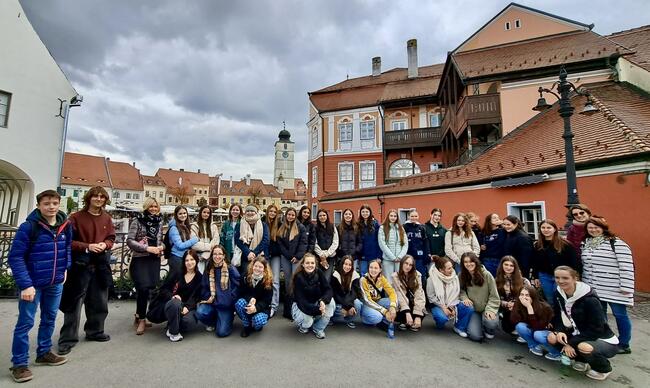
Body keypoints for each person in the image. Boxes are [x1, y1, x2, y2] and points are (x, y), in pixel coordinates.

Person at [8, 190, 72, 383]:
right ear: (39, 206)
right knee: (25, 323)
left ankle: (44, 352)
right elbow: (16, 257)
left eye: (54, 203)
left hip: (55, 282)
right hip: (33, 284)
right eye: (46, 203)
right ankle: (19, 363)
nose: (51, 207)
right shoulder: (28, 227)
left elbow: (67, 248)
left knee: (50, 318)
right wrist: (26, 285)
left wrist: (65, 269)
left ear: (59, 204)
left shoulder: (65, 226)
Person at [58, 186, 116, 355]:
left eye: (102, 197)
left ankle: (95, 331)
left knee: (99, 301)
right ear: (89, 198)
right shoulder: (75, 218)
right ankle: (67, 339)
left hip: (100, 265)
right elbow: (67, 241)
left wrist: (105, 245)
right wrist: (87, 247)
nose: (99, 199)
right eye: (95, 196)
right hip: (80, 266)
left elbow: (111, 238)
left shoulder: (107, 218)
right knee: (74, 304)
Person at [548, 266, 619, 381]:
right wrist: (560, 331)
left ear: (575, 278)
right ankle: (582, 360)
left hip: (600, 338)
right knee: (552, 337)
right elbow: (558, 316)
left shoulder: (590, 300)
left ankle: (604, 368)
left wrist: (570, 343)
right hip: (577, 333)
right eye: (557, 278)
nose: (560, 281)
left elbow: (596, 330)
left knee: (584, 347)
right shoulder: (558, 293)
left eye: (565, 278)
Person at [581, 216, 635, 354]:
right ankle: (606, 338)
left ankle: (624, 343)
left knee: (620, 315)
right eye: (590, 227)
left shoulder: (616, 243)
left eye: (596, 227)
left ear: (603, 228)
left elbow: (627, 266)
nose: (593, 230)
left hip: (614, 287)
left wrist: (626, 287)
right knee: (599, 314)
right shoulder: (586, 243)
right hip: (594, 287)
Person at [126, 197, 165, 335]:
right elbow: (129, 241)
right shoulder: (138, 220)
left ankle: (138, 315)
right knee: (142, 288)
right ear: (146, 207)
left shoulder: (159, 222)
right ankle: (142, 319)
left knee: (149, 288)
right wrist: (146, 248)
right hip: (140, 259)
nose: (154, 209)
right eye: (151, 207)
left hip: (154, 259)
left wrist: (161, 247)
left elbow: (161, 239)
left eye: (156, 206)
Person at [146, 251, 202, 342]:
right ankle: (174, 333)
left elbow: (196, 296)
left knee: (188, 322)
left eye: (192, 259)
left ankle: (172, 323)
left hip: (186, 306)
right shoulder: (177, 273)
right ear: (183, 262)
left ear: (196, 260)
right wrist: (173, 296)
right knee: (175, 303)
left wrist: (187, 307)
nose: (189, 262)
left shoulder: (199, 277)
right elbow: (164, 289)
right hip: (170, 303)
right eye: (186, 260)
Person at [195, 245, 241, 337]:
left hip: (225, 305)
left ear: (224, 255)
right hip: (212, 302)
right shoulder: (208, 269)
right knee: (200, 313)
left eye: (220, 254)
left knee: (222, 333)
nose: (217, 256)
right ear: (212, 255)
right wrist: (210, 298)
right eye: (215, 254)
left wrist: (230, 299)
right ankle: (213, 322)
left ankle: (227, 319)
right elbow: (204, 287)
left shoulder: (230, 269)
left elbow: (238, 285)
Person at [531, 219, 578, 307]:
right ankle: (554, 318)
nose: (546, 230)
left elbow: (574, 262)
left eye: (549, 227)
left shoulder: (565, 244)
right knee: (550, 300)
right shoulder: (538, 245)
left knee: (560, 299)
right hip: (545, 276)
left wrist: (575, 276)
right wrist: (535, 276)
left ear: (554, 229)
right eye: (543, 227)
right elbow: (535, 262)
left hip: (562, 276)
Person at [290, 253, 336, 339]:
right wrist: (319, 310)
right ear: (303, 264)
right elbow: (301, 302)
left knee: (331, 303)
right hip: (301, 307)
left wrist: (323, 301)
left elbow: (328, 289)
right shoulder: (298, 277)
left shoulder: (319, 272)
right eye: (307, 263)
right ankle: (303, 326)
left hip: (316, 303)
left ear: (315, 264)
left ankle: (318, 328)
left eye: (312, 263)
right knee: (308, 322)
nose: (310, 265)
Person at [426, 256, 473, 338]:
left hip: (453, 303)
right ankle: (440, 323)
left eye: (452, 267)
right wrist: (443, 307)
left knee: (468, 307)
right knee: (442, 318)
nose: (452, 270)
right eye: (449, 268)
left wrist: (453, 307)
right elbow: (431, 297)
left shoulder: (455, 277)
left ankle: (459, 327)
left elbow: (457, 293)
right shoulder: (431, 279)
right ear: (441, 270)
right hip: (438, 304)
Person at [511, 285, 560, 360]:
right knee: (520, 326)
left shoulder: (545, 307)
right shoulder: (519, 303)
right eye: (522, 294)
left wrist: (529, 308)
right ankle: (535, 346)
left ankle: (556, 353)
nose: (524, 297)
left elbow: (538, 328)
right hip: (533, 328)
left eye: (527, 295)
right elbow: (514, 320)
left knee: (538, 334)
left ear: (533, 296)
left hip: (547, 331)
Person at [459, 252, 500, 342]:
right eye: (465, 262)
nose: (468, 264)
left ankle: (488, 329)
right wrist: (465, 298)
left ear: (476, 261)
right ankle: (478, 324)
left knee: (491, 323)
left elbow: (494, 296)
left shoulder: (487, 275)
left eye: (471, 261)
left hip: (487, 308)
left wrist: (490, 309)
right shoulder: (462, 275)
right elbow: (461, 291)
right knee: (475, 336)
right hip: (474, 309)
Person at [277, 207, 308, 319]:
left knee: (296, 281)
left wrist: (297, 256)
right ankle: (287, 309)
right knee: (288, 282)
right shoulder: (282, 227)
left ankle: (297, 307)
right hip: (286, 258)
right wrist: (289, 256)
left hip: (297, 258)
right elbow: (280, 244)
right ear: (286, 216)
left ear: (295, 216)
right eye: (289, 214)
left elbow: (303, 243)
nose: (290, 216)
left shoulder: (300, 227)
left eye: (292, 215)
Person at [235, 256, 273, 337]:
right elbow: (241, 292)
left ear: (264, 269)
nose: (257, 269)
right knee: (239, 303)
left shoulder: (268, 280)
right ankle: (247, 326)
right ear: (252, 266)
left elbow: (267, 301)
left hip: (261, 308)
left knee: (258, 322)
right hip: (248, 304)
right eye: (256, 266)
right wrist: (251, 299)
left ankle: (255, 323)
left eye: (260, 267)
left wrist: (256, 308)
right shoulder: (245, 276)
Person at [359, 259, 398, 338]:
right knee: (377, 317)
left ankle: (384, 320)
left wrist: (393, 307)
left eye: (376, 268)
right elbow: (367, 300)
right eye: (371, 267)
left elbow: (392, 292)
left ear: (380, 269)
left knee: (393, 302)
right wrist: (384, 311)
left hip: (377, 302)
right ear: (368, 268)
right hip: (367, 305)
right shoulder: (363, 280)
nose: (373, 270)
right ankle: (367, 320)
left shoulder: (382, 278)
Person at [495, 256, 529, 338]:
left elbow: (531, 298)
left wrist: (516, 304)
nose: (508, 267)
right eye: (506, 264)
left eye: (511, 265)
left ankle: (526, 332)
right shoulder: (496, 280)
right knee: (506, 327)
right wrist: (506, 304)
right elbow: (494, 298)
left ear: (515, 267)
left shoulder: (524, 281)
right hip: (506, 309)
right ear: (501, 265)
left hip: (522, 308)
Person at [390, 255, 426, 331]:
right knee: (397, 303)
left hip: (414, 304)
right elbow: (399, 295)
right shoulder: (395, 276)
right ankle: (404, 320)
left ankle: (415, 319)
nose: (408, 266)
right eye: (406, 263)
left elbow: (419, 294)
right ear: (402, 263)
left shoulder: (417, 275)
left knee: (420, 307)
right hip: (402, 305)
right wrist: (407, 312)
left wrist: (418, 315)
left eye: (410, 265)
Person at [235, 205, 270, 276]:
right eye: (247, 211)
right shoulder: (239, 224)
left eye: (252, 211)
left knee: (261, 277)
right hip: (246, 256)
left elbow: (266, 240)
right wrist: (248, 253)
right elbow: (238, 240)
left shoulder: (263, 225)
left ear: (256, 212)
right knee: (246, 276)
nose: (249, 212)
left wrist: (254, 253)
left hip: (260, 256)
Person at [167, 206, 199, 281]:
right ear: (176, 215)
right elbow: (180, 245)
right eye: (180, 214)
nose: (183, 215)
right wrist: (195, 239)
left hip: (183, 257)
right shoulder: (174, 228)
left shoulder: (185, 226)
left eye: (184, 213)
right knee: (174, 281)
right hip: (176, 257)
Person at [330, 255, 362, 328]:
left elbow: (355, 293)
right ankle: (332, 319)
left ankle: (349, 319)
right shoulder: (335, 275)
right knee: (334, 308)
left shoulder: (355, 275)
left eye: (350, 265)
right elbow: (335, 294)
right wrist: (346, 306)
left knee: (358, 304)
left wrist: (349, 306)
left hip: (349, 300)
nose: (347, 267)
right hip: (338, 300)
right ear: (342, 264)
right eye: (345, 264)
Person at [264, 204, 282, 317]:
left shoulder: (279, 224)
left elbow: (280, 242)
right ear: (267, 212)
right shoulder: (262, 222)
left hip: (275, 256)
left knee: (275, 280)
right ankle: (265, 303)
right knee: (265, 280)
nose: (272, 214)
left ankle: (274, 305)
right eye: (271, 211)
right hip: (264, 256)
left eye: (274, 212)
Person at [378, 209, 408, 278]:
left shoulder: (401, 228)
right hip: (388, 260)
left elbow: (405, 244)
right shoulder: (382, 228)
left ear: (397, 217)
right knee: (389, 281)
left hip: (399, 260)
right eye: (391, 216)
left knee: (399, 280)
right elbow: (382, 245)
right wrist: (393, 257)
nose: (393, 217)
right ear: (388, 216)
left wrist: (400, 256)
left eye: (395, 216)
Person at [190, 205, 220, 273]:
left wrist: (206, 254)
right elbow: (194, 244)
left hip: (210, 256)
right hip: (198, 256)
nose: (206, 214)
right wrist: (209, 246)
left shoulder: (213, 226)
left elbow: (216, 241)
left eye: (208, 213)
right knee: (199, 276)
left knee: (210, 276)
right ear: (200, 213)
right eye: (204, 212)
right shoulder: (194, 226)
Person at [403, 210, 430, 278]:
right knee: (408, 276)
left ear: (418, 217)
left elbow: (425, 242)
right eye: (412, 216)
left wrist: (427, 254)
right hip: (408, 256)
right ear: (408, 216)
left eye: (415, 216)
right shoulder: (404, 227)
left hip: (419, 257)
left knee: (421, 276)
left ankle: (421, 289)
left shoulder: (422, 227)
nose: (414, 218)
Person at [314, 209, 339, 280]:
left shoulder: (332, 227)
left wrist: (327, 253)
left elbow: (335, 242)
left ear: (327, 216)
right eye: (320, 216)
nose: (322, 217)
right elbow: (314, 243)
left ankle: (326, 291)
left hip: (330, 256)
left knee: (327, 278)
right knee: (318, 277)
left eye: (324, 215)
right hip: (318, 257)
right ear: (318, 217)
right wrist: (321, 254)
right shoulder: (315, 228)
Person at [358, 204, 381, 276]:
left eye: (366, 211)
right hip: (362, 255)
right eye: (363, 211)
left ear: (370, 212)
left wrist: (379, 256)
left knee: (374, 275)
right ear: (360, 213)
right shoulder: (358, 224)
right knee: (363, 275)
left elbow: (379, 241)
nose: (365, 213)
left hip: (373, 255)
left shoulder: (375, 224)